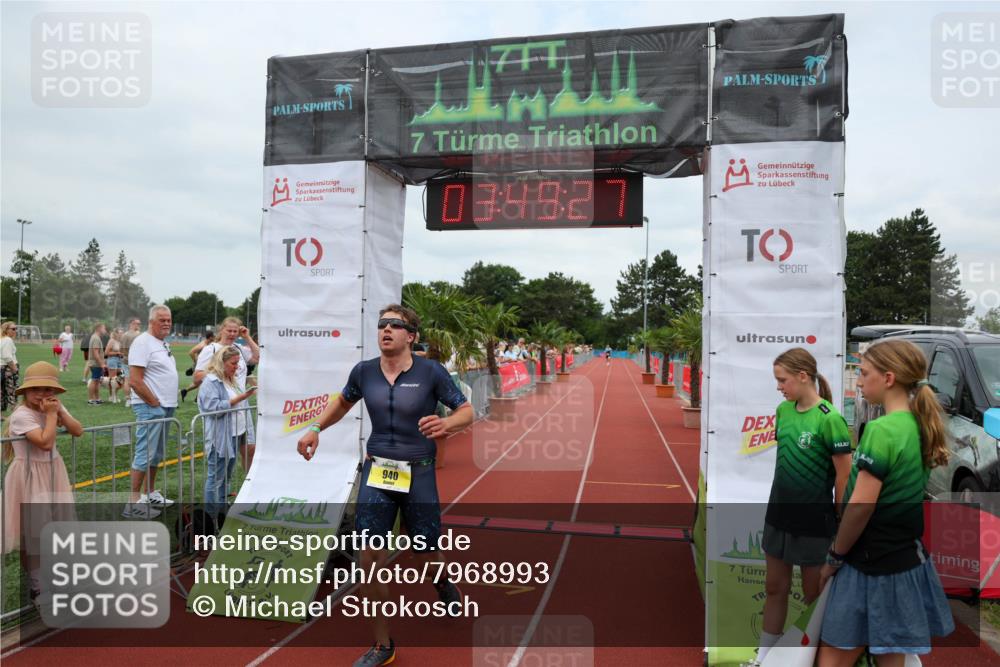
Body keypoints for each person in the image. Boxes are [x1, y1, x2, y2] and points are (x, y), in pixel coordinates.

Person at [296, 304, 473, 667]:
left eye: (395, 324)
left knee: (425, 553)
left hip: (418, 472)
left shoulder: (431, 372)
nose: (386, 329)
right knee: (369, 559)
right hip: (378, 471)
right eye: (382, 324)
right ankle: (383, 645)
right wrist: (315, 428)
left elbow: (466, 410)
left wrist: (448, 424)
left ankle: (442, 582)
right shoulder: (364, 372)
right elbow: (342, 403)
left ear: (412, 336)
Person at [818, 339, 954, 666]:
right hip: (905, 562)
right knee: (891, 658)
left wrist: (834, 557)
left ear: (889, 378)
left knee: (831, 660)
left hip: (868, 563)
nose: (859, 381)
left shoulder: (881, 430)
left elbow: (861, 507)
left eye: (864, 373)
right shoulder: (918, 424)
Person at [750, 348, 852, 666]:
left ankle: (809, 661)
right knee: (774, 588)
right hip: (778, 516)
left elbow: (844, 475)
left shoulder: (830, 418)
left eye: (782, 380)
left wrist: (841, 519)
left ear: (803, 376)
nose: (779, 387)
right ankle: (764, 659)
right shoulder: (783, 411)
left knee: (813, 598)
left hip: (814, 523)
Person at [2, 361, 83, 600]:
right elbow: (45, 442)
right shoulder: (21, 415)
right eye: (36, 389)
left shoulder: (53, 406)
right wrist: (51, 415)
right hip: (29, 477)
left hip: (52, 473)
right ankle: (37, 585)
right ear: (25, 391)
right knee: (32, 535)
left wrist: (59, 412)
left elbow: (77, 430)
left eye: (48, 389)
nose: (42, 394)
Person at [124, 305, 179, 519]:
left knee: (156, 454)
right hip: (151, 407)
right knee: (144, 453)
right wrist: (154, 403)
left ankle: (150, 492)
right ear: (151, 321)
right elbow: (135, 380)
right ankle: (133, 502)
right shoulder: (142, 342)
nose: (166, 323)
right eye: (162, 320)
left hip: (165, 406)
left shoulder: (162, 342)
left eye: (168, 320)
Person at [197, 346, 257, 521]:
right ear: (221, 363)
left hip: (236, 433)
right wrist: (241, 398)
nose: (237, 367)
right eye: (233, 363)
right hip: (220, 436)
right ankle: (211, 516)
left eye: (238, 363)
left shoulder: (232, 379)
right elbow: (212, 409)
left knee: (226, 476)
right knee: (216, 476)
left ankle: (222, 510)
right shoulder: (211, 382)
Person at [191, 318, 259, 471]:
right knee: (225, 452)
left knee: (250, 447)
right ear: (221, 330)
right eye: (229, 330)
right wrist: (220, 370)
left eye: (235, 331)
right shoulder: (211, 349)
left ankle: (248, 482)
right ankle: (222, 483)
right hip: (223, 404)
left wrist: (247, 337)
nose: (232, 334)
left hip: (242, 403)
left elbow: (257, 358)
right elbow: (197, 377)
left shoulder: (238, 348)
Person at [120, 317, 143, 397]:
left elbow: (122, 349)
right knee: (132, 380)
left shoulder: (125, 335)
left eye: (139, 324)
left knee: (127, 380)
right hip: (133, 361)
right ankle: (132, 398)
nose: (139, 325)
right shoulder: (138, 335)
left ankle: (129, 399)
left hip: (128, 361)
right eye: (138, 324)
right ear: (132, 324)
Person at [86, 323, 107, 405]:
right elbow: (95, 353)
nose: (105, 330)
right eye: (104, 328)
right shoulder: (95, 338)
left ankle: (97, 399)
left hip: (96, 363)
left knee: (97, 381)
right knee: (94, 381)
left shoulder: (96, 337)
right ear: (99, 328)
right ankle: (91, 400)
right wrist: (101, 364)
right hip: (95, 364)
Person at [0, 322, 19, 414]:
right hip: (8, 368)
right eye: (13, 329)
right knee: (12, 392)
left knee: (2, 392)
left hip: (2, 368)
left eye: (16, 329)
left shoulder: (2, 339)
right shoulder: (8, 340)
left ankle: (1, 415)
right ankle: (15, 414)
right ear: (6, 330)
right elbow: (7, 356)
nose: (15, 331)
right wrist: (14, 368)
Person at [104, 328, 125, 404]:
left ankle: (115, 395)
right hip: (112, 360)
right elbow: (106, 353)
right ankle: (112, 397)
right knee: (112, 380)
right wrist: (117, 353)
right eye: (120, 333)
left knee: (121, 378)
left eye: (122, 333)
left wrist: (122, 354)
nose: (121, 334)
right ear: (116, 333)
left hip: (119, 361)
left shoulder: (120, 341)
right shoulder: (112, 341)